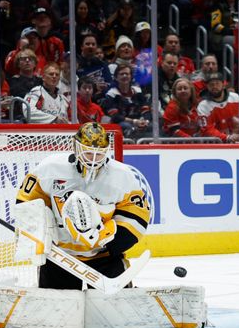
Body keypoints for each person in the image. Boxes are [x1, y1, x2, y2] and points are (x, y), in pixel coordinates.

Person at [15, 122, 151, 290]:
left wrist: (109, 240)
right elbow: (26, 200)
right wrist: (37, 235)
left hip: (104, 257)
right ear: (76, 147)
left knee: (117, 310)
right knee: (58, 311)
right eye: (88, 153)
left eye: (99, 154)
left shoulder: (122, 176)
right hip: (60, 257)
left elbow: (137, 214)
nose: (93, 159)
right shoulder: (51, 168)